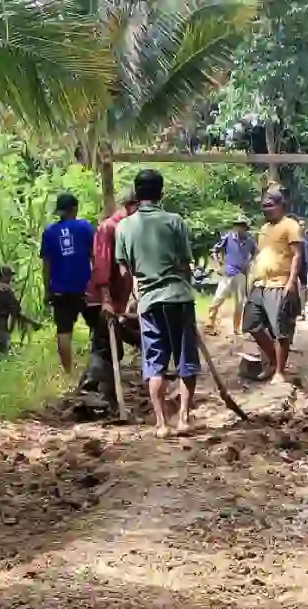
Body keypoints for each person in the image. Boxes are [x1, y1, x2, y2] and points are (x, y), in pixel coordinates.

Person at [114, 169, 200, 438]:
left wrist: (135, 295)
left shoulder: (124, 226)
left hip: (149, 303)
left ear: (137, 194)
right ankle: (184, 419)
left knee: (155, 364)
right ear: (160, 193)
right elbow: (185, 265)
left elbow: (124, 271)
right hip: (179, 298)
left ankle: (162, 424)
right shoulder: (175, 221)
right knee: (186, 360)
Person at [79, 191, 141, 408]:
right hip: (101, 299)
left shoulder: (130, 228)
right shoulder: (109, 228)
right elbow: (102, 265)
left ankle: (105, 397)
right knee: (105, 345)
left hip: (115, 300)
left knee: (110, 343)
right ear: (131, 206)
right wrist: (106, 300)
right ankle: (90, 389)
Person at [242, 191, 303, 384]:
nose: (266, 209)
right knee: (251, 324)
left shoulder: (290, 225)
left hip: (279, 283)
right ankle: (273, 361)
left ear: (280, 205)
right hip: (260, 283)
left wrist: (292, 281)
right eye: (264, 206)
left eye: (269, 205)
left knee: (280, 330)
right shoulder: (264, 228)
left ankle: (279, 372)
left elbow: (297, 255)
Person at [40, 192, 97, 374]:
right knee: (97, 326)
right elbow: (94, 256)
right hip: (85, 287)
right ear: (74, 209)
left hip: (60, 290)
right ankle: (96, 366)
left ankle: (68, 372)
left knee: (64, 331)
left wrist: (47, 289)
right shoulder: (85, 228)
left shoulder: (49, 232)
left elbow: (46, 264)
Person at [205, 215, 256, 335]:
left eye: (242, 226)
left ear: (245, 228)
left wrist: (250, 263)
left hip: (241, 274)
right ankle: (209, 324)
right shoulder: (228, 237)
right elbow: (215, 251)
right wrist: (218, 266)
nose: (239, 228)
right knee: (218, 299)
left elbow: (255, 253)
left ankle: (236, 328)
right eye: (237, 225)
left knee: (239, 303)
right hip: (228, 273)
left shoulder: (249, 241)